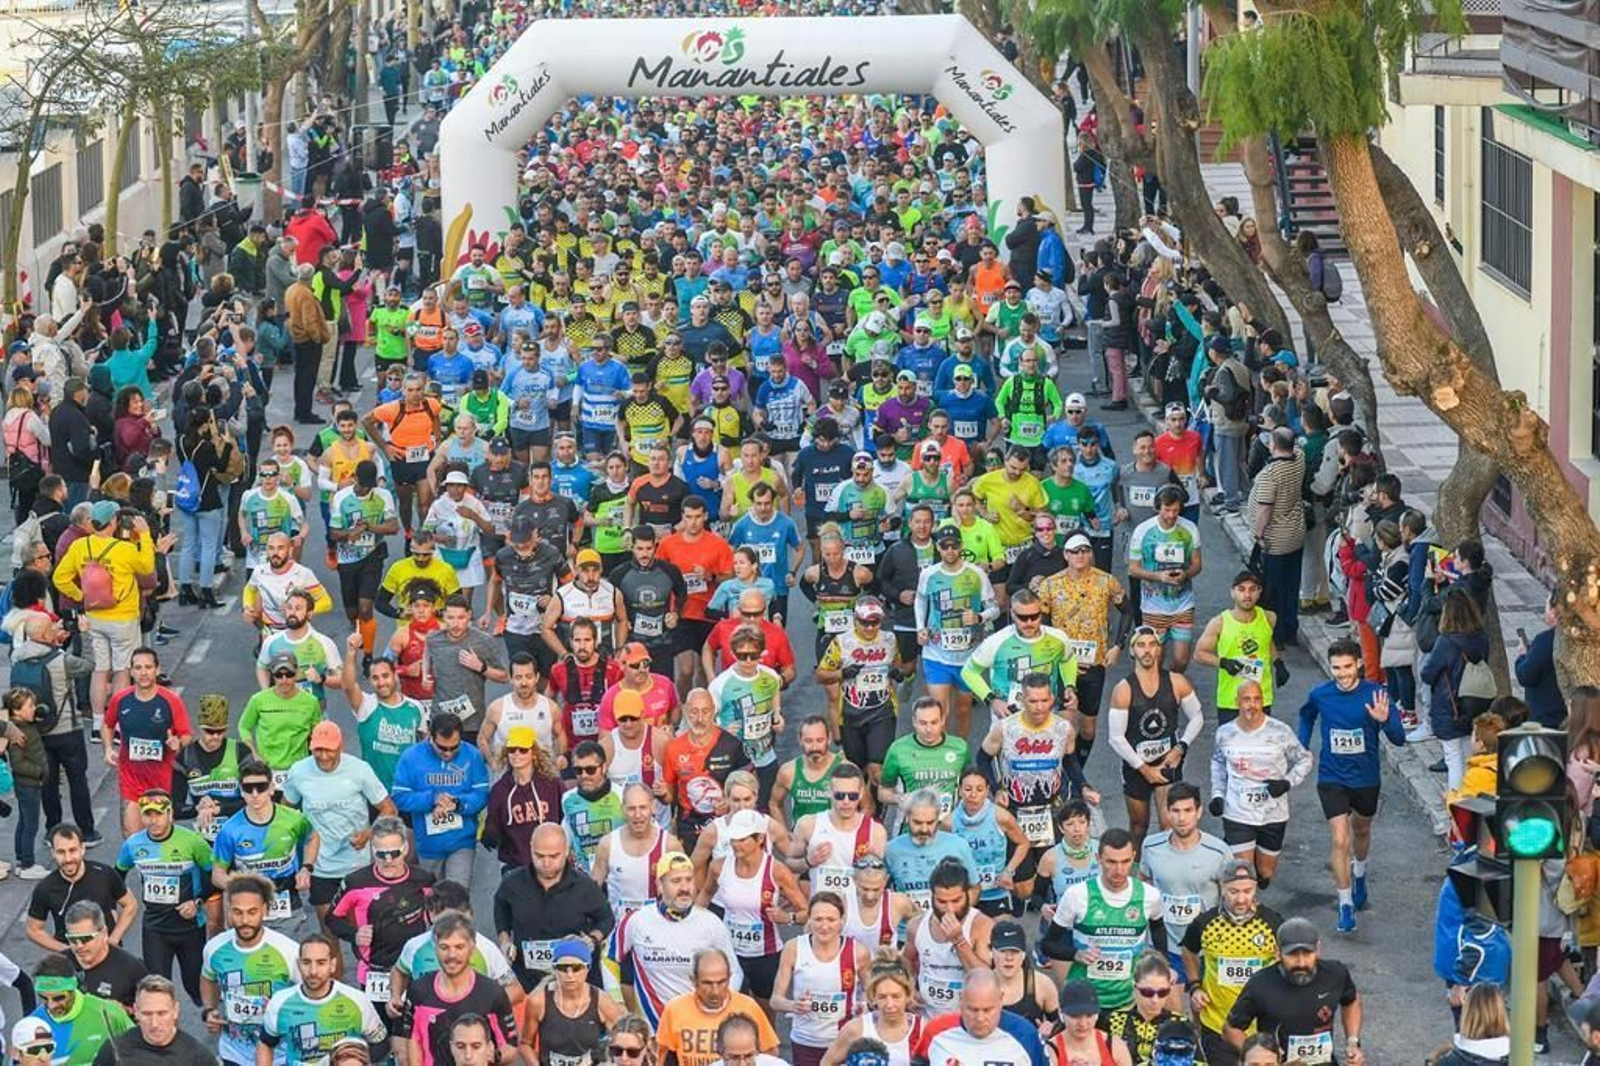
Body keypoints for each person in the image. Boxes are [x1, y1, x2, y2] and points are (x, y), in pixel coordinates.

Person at [1297, 638, 1404, 934]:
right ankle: (1345, 904)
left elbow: (1399, 738)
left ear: (1358, 663)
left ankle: (1359, 872)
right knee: (1340, 840)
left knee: (1361, 830)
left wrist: (1385, 721)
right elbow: (1306, 717)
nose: (1342, 674)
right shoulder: (1321, 694)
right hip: (1332, 777)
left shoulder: (1377, 694)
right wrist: (1302, 746)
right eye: (1336, 668)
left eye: (1347, 667)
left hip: (1366, 778)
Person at [1041, 828, 1169, 1014]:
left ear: (1134, 856)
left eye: (1125, 862)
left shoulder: (1149, 895)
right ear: (1098, 858)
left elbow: (1158, 930)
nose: (1119, 870)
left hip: (1129, 999)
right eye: (1111, 862)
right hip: (1086, 1001)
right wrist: (1076, 954)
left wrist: (1163, 966)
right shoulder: (1078, 895)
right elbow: (1048, 944)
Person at [282, 721, 397, 925]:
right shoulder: (298, 772)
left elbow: (389, 809)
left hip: (356, 865)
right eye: (318, 750)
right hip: (320, 866)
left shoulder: (359, 770)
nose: (324, 756)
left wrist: (367, 834)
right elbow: (286, 813)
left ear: (340, 747)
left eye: (329, 750)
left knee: (359, 932)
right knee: (330, 932)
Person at [613, 852, 744, 1028]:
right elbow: (608, 960)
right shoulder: (636, 920)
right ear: (659, 885)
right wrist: (618, 1004)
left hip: (696, 1026)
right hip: (653, 1029)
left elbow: (735, 971)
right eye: (676, 881)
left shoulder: (711, 923)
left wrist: (720, 1005)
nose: (684, 888)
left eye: (689, 880)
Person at [1106, 626, 1204, 855]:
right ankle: (1137, 870)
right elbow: (1115, 737)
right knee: (1139, 827)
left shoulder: (1177, 682)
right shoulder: (1123, 689)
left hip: (1168, 761)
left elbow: (1197, 716)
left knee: (1168, 825)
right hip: (1136, 766)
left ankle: (1167, 873)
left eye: (1152, 644)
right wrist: (1144, 769)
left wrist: (1181, 747)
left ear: (1159, 649)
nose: (1147, 650)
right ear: (1133, 652)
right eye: (1141, 645)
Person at [699, 809, 809, 1012]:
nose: (735, 845)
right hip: (730, 952)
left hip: (764, 955)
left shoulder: (776, 870)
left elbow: (805, 912)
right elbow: (705, 895)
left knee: (764, 1012)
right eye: (733, 839)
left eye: (742, 839)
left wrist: (787, 917)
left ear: (759, 839)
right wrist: (694, 922)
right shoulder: (719, 866)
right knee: (728, 1009)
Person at [322, 816, 435, 1008]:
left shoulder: (424, 880)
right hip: (375, 971)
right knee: (379, 1032)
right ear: (372, 851)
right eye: (381, 854)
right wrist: (354, 934)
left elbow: (441, 917)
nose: (388, 861)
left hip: (415, 968)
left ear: (406, 849)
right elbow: (331, 919)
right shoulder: (356, 882)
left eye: (394, 853)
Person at [1210, 680, 1313, 887]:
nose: (1252, 705)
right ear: (1237, 702)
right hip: (1238, 811)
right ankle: (1246, 909)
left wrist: (1286, 783)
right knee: (1243, 873)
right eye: (1246, 700)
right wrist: (1218, 795)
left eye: (1257, 699)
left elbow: (1305, 759)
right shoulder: (1225, 733)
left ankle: (1260, 877)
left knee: (1265, 873)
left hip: (1272, 813)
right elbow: (1218, 764)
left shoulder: (1279, 731)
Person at [114, 790, 213, 1005]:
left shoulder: (192, 841)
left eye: (159, 814)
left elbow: (215, 877)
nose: (153, 820)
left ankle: (211, 1015)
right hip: (155, 928)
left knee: (194, 987)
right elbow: (115, 879)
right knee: (157, 989)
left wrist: (197, 902)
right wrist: (118, 910)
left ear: (170, 814)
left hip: (189, 927)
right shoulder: (133, 845)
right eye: (148, 815)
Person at [1224, 917, 1364, 1066]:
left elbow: (1352, 1000)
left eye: (1308, 954)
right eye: (1292, 955)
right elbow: (1231, 1029)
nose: (1301, 963)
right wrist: (1262, 1057)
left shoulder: (1336, 974)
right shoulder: (1260, 984)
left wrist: (1353, 1042)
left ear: (1318, 949)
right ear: (1277, 952)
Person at [493, 823, 614, 992]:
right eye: (539, 856)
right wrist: (505, 940)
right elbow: (500, 909)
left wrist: (591, 940)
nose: (546, 863)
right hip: (528, 979)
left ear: (566, 851)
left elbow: (606, 918)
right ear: (531, 849)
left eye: (553, 856)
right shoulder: (512, 884)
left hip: (574, 981)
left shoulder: (584, 886)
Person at [200, 874, 301, 1066]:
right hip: (233, 1052)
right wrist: (210, 1009)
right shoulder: (215, 948)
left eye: (252, 912)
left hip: (279, 1056)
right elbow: (207, 977)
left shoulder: (288, 950)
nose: (245, 920)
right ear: (229, 911)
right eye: (237, 912)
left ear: (264, 910)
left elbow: (310, 997)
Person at [1140, 783, 1231, 981]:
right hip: (1165, 947)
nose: (1181, 818)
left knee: (1201, 1009)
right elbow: (1144, 884)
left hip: (1206, 948)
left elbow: (1229, 897)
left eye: (1188, 810)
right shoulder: (1151, 846)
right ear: (1167, 812)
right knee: (1169, 1009)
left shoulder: (1219, 851)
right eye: (1176, 811)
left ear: (1199, 812)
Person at [770, 892, 873, 1066]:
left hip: (843, 1041)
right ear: (809, 919)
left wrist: (863, 1007)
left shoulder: (858, 952)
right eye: (818, 919)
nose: (824, 926)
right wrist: (794, 1006)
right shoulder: (794, 948)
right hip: (805, 1041)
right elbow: (775, 1000)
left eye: (831, 920)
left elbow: (872, 995)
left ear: (842, 920)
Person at [210, 760, 317, 925]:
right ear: (241, 791)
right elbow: (217, 875)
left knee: (287, 951)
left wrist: (307, 867)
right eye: (248, 788)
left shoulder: (294, 819)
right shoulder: (229, 830)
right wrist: (243, 888)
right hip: (248, 910)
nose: (255, 794)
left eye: (261, 787)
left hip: (287, 901)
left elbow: (313, 837)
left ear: (271, 789)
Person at [392, 712, 490, 887]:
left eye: (454, 747)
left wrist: (457, 804)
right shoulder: (411, 757)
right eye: (442, 748)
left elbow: (481, 794)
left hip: (462, 841)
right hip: (428, 844)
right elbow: (400, 796)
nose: (448, 753)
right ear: (430, 736)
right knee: (430, 898)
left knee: (457, 896)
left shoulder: (473, 755)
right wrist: (432, 799)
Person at [405, 916, 519, 1066]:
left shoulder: (492, 993)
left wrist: (494, 1056)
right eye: (444, 947)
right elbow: (413, 1040)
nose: (452, 955)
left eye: (459, 947)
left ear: (472, 948)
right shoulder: (418, 990)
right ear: (435, 948)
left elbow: (511, 1047)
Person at [258, 934, 387, 1065]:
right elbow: (266, 1044)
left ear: (333, 965)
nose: (313, 971)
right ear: (298, 964)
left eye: (321, 963)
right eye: (306, 962)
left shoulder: (357, 1000)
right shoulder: (280, 1002)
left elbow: (381, 1045)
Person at [102, 647, 192, 836]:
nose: (143, 672)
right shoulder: (121, 699)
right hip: (131, 781)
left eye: (148, 667)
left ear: (157, 670)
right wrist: (108, 748)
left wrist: (177, 742)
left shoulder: (170, 701)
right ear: (132, 671)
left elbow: (186, 735)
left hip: (162, 784)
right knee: (132, 837)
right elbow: (107, 725)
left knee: (159, 837)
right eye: (138, 668)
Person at [653, 948, 778, 1066]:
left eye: (721, 982)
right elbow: (662, 1057)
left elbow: (770, 1053)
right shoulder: (675, 1009)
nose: (715, 991)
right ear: (693, 980)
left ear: (729, 977)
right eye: (707, 983)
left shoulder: (748, 1007)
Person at [902, 858, 993, 1018]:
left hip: (967, 1020)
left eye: (956, 900)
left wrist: (959, 940)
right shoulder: (916, 926)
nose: (949, 909)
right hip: (927, 1017)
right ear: (932, 896)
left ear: (968, 894)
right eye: (942, 902)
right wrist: (910, 988)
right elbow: (907, 960)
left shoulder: (982, 926)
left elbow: (984, 977)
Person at [26, 825, 137, 953]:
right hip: (72, 965)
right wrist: (68, 951)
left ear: (82, 849)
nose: (68, 859)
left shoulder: (104, 874)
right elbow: (33, 930)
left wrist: (114, 940)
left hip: (107, 956)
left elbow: (130, 904)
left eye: (72, 850)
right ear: (53, 853)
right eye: (61, 852)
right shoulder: (45, 888)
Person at [1194, 570, 1284, 724]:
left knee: (1260, 745)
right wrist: (1224, 663)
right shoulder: (1220, 622)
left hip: (1261, 697)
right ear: (1232, 593)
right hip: (1231, 699)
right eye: (1241, 589)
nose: (1247, 595)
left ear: (1259, 592)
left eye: (1252, 589)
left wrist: (1278, 663)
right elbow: (1199, 654)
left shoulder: (1269, 618)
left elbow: (1266, 641)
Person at [520, 938, 624, 1064]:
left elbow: (625, 1042)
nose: (569, 975)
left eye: (576, 968)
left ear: (587, 968)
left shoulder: (601, 1001)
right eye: (562, 968)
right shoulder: (538, 1001)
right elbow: (525, 1044)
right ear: (554, 969)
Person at [916, 969, 1049, 1066]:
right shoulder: (936, 1031)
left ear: (1001, 1000)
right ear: (961, 1000)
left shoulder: (1024, 1034)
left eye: (988, 1010)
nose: (980, 1018)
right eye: (973, 1010)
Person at [25, 955, 133, 1065]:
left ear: (75, 988)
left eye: (59, 998)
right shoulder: (31, 1025)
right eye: (43, 998)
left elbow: (140, 1052)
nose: (51, 1005)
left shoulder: (109, 1013)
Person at [90, 975, 217, 1065]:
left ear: (175, 1011)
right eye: (147, 1014)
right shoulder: (114, 1050)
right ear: (136, 1011)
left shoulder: (198, 1058)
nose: (154, 1024)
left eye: (162, 1013)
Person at [61, 900, 148, 1010]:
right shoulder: (59, 965)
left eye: (85, 939)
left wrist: (122, 1010)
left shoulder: (131, 968)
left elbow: (150, 1011)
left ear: (104, 933)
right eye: (72, 939)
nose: (79, 946)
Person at [1049, 977, 1133, 1065]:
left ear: (1097, 1014)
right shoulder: (1050, 1051)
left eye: (1089, 1015)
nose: (1083, 1024)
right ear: (1061, 1013)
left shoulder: (1116, 1047)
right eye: (1074, 1016)